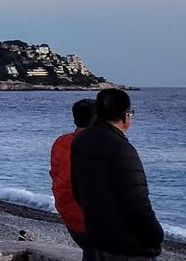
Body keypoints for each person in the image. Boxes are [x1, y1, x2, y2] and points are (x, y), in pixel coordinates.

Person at [70, 88, 163, 260]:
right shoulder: (122, 149)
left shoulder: (80, 141)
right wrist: (156, 235)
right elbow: (138, 203)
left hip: (96, 237)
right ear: (125, 116)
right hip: (125, 248)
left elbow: (77, 191)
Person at [51, 98, 97, 248]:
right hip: (90, 222)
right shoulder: (100, 145)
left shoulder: (61, 141)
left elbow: (54, 174)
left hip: (68, 215)